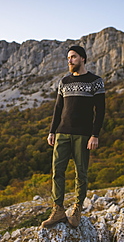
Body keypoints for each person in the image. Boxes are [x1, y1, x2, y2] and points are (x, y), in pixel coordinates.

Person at [41, 45, 105, 228]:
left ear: (83, 58)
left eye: (74, 57)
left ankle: (77, 209)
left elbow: (100, 111)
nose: (70, 60)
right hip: (62, 133)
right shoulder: (64, 81)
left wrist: (95, 135)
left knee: (81, 173)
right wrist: (52, 131)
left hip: (83, 135)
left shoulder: (96, 81)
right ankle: (58, 210)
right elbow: (58, 108)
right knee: (57, 172)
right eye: (68, 57)